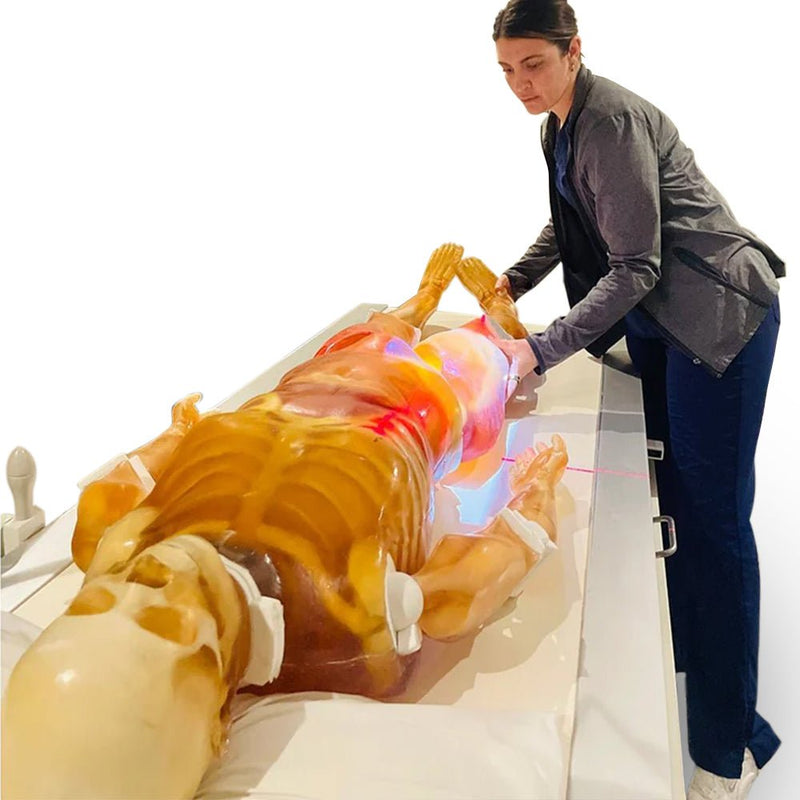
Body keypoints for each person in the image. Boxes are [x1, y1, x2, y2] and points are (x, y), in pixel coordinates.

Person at [488, 1, 784, 797]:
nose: (520, 83)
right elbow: (571, 223)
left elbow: (635, 265)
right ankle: (689, 652)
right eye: (507, 70)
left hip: (716, 318)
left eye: (534, 64)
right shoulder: (559, 124)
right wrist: (512, 281)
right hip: (660, 319)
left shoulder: (610, 122)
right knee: (674, 497)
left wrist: (539, 349)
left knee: (715, 525)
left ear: (574, 50)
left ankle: (732, 745)